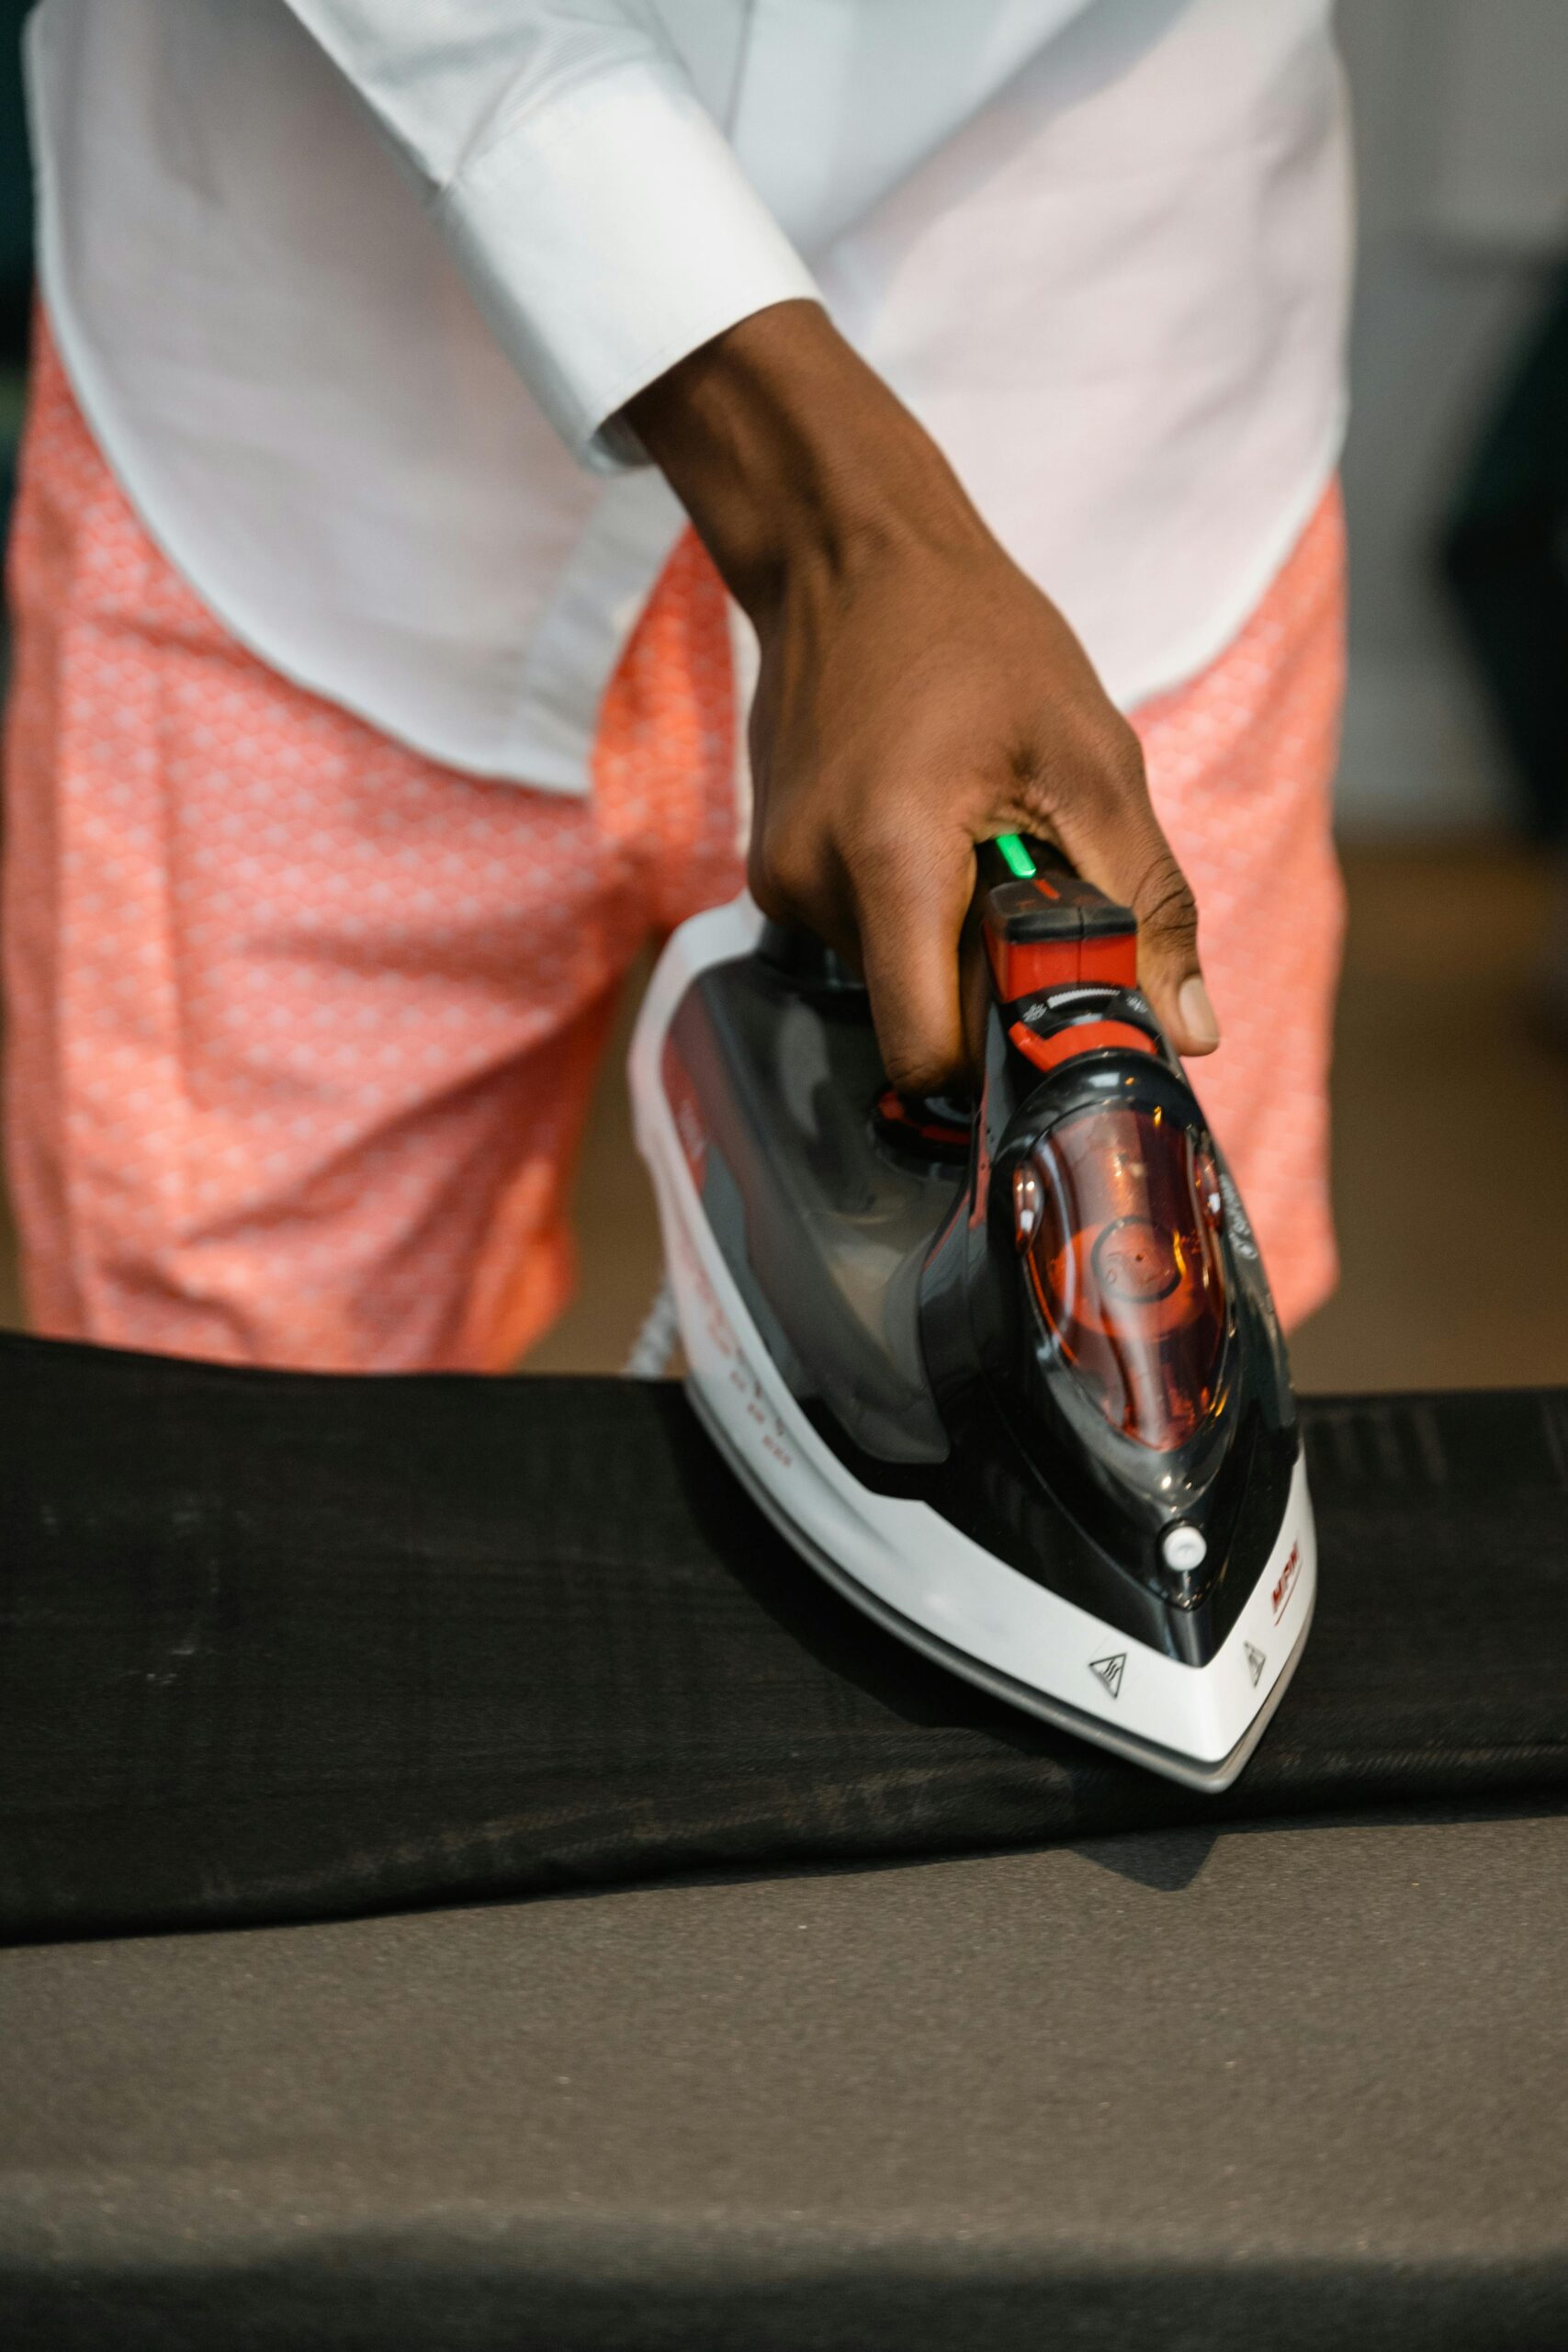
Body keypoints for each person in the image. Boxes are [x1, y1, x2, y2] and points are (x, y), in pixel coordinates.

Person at [4, 0, 1351, 1372]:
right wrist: (847, 533)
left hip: (1102, 500)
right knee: (229, 1419)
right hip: (317, 480)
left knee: (1124, 1345)